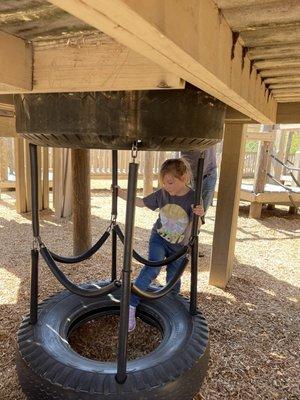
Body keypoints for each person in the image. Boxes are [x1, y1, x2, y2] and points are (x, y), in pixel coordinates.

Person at [117, 158, 204, 332]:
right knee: (152, 267)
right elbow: (141, 202)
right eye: (164, 182)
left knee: (173, 278)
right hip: (159, 238)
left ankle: (171, 310)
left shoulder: (194, 197)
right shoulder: (163, 193)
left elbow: (198, 226)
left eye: (170, 182)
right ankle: (131, 305)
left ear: (184, 178)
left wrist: (199, 214)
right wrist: (121, 194)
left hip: (180, 246)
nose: (167, 186)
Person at [181, 145, 217, 219]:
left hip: (209, 172)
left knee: (201, 212)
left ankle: (197, 229)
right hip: (188, 173)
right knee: (188, 209)